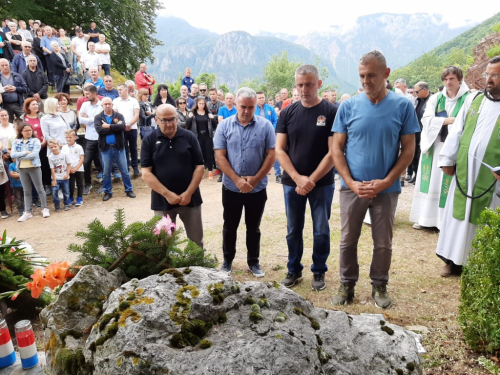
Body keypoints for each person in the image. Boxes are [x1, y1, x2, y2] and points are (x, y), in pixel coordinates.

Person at [331, 51, 419, 308]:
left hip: (386, 189)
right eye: (361, 76)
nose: (366, 80)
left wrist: (386, 181)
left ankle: (379, 284)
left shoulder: (402, 106)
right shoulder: (348, 106)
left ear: (386, 73)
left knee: (383, 242)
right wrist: (350, 181)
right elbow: (337, 148)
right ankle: (347, 283)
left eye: (371, 75)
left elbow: (409, 150)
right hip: (352, 188)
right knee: (348, 239)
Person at [435, 56, 500, 277]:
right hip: (464, 173)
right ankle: (452, 261)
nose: (489, 79)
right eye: (487, 74)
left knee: (483, 220)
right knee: (457, 217)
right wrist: (447, 160)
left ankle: (478, 265)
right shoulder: (474, 100)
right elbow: (457, 131)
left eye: (494, 75)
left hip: (491, 178)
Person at [275, 65, 337, 291]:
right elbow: (280, 150)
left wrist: (310, 179)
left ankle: (319, 270)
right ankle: (293, 269)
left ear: (319, 84)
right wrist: (298, 178)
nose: (303, 89)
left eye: (309, 84)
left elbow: (333, 152)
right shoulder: (287, 112)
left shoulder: (331, 111)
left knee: (321, 228)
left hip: (322, 183)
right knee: (293, 229)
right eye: (299, 85)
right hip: (292, 184)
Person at [214, 87, 276, 277]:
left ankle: (254, 262)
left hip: (257, 189)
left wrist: (255, 179)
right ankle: (227, 261)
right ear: (235, 105)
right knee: (229, 226)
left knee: (253, 227)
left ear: (256, 105)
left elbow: (271, 155)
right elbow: (219, 156)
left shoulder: (266, 126)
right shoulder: (224, 126)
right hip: (231, 187)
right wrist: (237, 180)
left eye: (251, 107)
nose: (247, 111)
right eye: (243, 106)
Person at [410, 66, 470, 231]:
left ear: (460, 79)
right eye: (445, 79)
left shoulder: (468, 98)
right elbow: (426, 119)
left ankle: (444, 221)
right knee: (430, 182)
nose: (448, 82)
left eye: (451, 79)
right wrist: (448, 121)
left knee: (447, 182)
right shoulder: (436, 98)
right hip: (434, 145)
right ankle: (425, 217)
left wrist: (451, 122)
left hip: (454, 148)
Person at [141, 104, 205, 248]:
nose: (169, 123)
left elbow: (199, 167)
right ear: (157, 120)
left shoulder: (189, 137)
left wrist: (188, 193)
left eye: (172, 119)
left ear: (177, 118)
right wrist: (167, 194)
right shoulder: (149, 140)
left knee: (196, 242)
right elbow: (146, 173)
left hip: (191, 199)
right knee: (163, 244)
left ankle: (199, 268)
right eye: (165, 120)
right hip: (162, 201)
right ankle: (169, 270)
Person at [94, 97, 136, 201]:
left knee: (124, 170)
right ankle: (107, 191)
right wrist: (114, 127)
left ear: (112, 104)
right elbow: (99, 130)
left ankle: (129, 189)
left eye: (109, 103)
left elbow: (122, 128)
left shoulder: (119, 115)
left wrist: (107, 126)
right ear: (102, 105)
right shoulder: (98, 117)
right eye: (105, 104)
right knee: (106, 171)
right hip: (105, 149)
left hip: (119, 148)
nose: (107, 105)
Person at [11, 123, 50, 221]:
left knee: (39, 188)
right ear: (21, 132)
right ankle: (27, 211)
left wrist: (19, 156)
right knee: (26, 190)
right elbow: (12, 154)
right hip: (21, 168)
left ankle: (45, 208)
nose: (28, 132)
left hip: (34, 166)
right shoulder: (16, 141)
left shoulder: (35, 140)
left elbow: (34, 154)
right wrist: (25, 153)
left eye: (30, 130)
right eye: (26, 130)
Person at [20, 97, 50, 194]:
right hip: (30, 148)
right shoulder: (23, 118)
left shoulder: (42, 116)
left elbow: (46, 130)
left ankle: (47, 185)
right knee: (34, 167)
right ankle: (36, 189)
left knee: (45, 165)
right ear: (27, 106)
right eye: (33, 104)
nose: (36, 106)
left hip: (43, 145)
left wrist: (44, 142)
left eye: (37, 104)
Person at [79, 85, 103, 194]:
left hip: (101, 137)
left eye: (87, 94)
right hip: (89, 138)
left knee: (103, 162)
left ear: (94, 94)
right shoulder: (84, 104)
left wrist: (87, 118)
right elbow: (80, 120)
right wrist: (93, 119)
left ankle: (104, 183)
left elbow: (102, 119)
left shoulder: (102, 105)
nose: (86, 96)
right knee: (87, 162)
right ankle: (87, 184)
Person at [186, 97, 217, 180]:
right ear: (197, 104)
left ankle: (210, 171)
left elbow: (214, 125)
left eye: (203, 104)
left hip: (208, 136)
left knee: (209, 154)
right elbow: (187, 125)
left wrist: (213, 118)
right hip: (197, 136)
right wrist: (189, 117)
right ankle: (202, 171)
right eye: (200, 103)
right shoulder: (193, 113)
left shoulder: (208, 112)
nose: (201, 105)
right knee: (200, 154)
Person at [406, 81, 431, 184]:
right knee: (414, 154)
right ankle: (416, 175)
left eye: (417, 91)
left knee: (422, 155)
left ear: (424, 89)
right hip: (416, 131)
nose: (415, 93)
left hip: (425, 132)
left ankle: (422, 177)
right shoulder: (417, 101)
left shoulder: (431, 100)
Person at [113, 84, 140, 176]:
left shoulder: (134, 101)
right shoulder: (115, 101)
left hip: (132, 127)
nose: (119, 91)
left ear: (126, 90)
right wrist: (122, 125)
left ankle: (135, 167)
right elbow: (115, 116)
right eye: (118, 90)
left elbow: (136, 115)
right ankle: (126, 167)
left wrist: (129, 124)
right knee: (124, 148)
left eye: (120, 89)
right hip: (121, 129)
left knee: (133, 148)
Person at [255, 91, 280, 182]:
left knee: (274, 153)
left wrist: (271, 129)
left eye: (263, 97)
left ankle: (278, 174)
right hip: (257, 135)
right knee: (258, 154)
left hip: (270, 134)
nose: (262, 99)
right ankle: (259, 175)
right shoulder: (253, 109)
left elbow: (276, 120)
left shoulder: (270, 108)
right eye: (259, 98)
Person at [61, 129, 84, 207]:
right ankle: (70, 198)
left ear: (75, 137)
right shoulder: (64, 148)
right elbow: (63, 159)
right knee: (70, 184)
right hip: (69, 169)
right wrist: (69, 169)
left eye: (70, 137)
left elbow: (82, 158)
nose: (68, 139)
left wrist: (77, 168)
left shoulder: (79, 147)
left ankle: (79, 198)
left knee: (80, 183)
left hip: (79, 168)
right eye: (66, 137)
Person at [48, 139, 71, 211]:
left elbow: (69, 164)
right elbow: (52, 168)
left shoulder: (64, 154)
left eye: (55, 146)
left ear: (58, 146)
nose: (54, 148)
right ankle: (57, 205)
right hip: (56, 177)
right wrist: (54, 180)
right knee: (54, 191)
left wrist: (67, 174)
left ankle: (66, 204)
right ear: (49, 148)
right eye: (51, 147)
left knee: (66, 192)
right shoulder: (50, 157)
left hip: (64, 177)